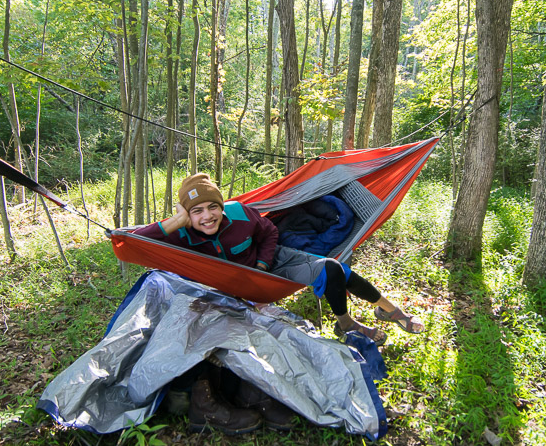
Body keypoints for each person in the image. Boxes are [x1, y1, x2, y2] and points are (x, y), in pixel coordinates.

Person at [134, 173, 424, 433]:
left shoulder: (240, 214)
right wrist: (177, 221)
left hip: (269, 269)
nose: (207, 217)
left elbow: (269, 232)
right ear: (186, 215)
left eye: (213, 207)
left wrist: (261, 264)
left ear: (222, 206)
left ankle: (350, 322)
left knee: (333, 269)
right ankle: (384, 314)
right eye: (197, 211)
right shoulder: (179, 233)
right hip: (226, 291)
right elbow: (132, 243)